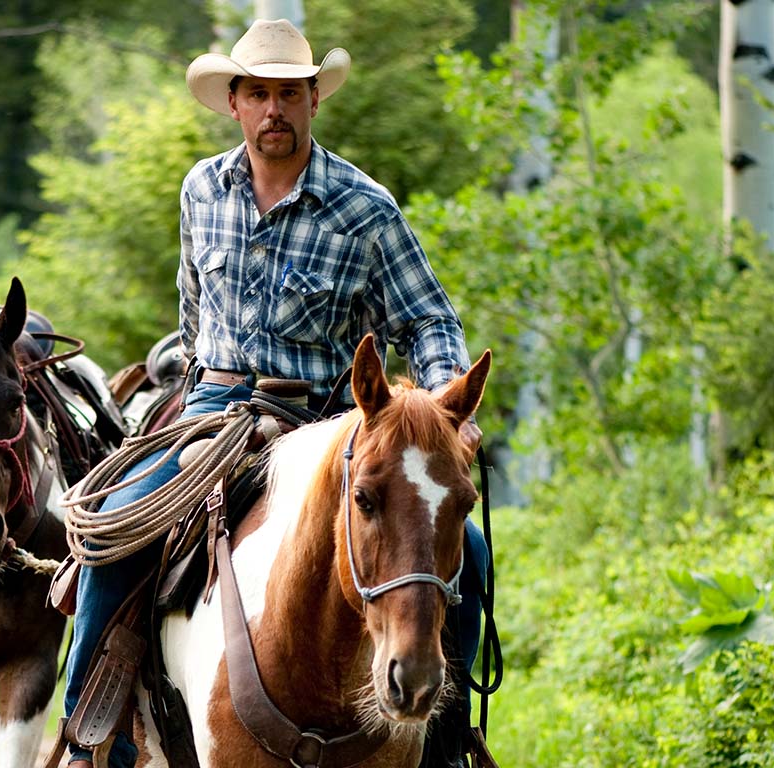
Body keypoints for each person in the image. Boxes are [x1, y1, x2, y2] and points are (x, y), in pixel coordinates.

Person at [63, 18, 488, 768]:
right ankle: (92, 740)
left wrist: (445, 416)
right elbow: (193, 316)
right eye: (258, 93)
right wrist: (197, 392)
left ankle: (446, 748)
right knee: (112, 537)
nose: (273, 110)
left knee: (470, 552)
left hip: (323, 421)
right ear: (233, 102)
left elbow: (429, 319)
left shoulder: (364, 208)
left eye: (289, 94)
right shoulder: (202, 190)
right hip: (212, 417)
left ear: (313, 101)